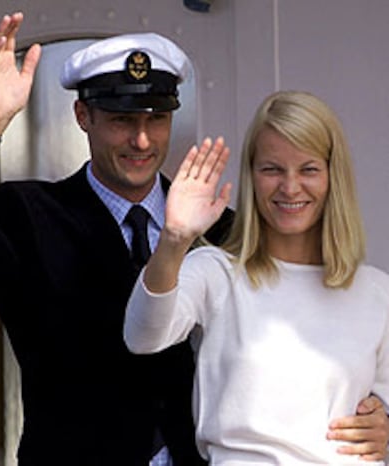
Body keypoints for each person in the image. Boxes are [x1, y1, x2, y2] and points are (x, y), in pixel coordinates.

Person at [0, 12, 387, 466]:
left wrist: (379, 414)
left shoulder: (223, 231)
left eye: (157, 118)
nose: (142, 139)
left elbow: (295, 351)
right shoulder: (28, 215)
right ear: (82, 115)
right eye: (120, 119)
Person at [124, 90, 389, 465]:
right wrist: (174, 238)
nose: (290, 187)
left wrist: (386, 428)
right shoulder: (215, 273)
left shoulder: (377, 292)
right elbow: (141, 336)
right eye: (272, 169)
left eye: (308, 169)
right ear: (251, 175)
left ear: (334, 176)